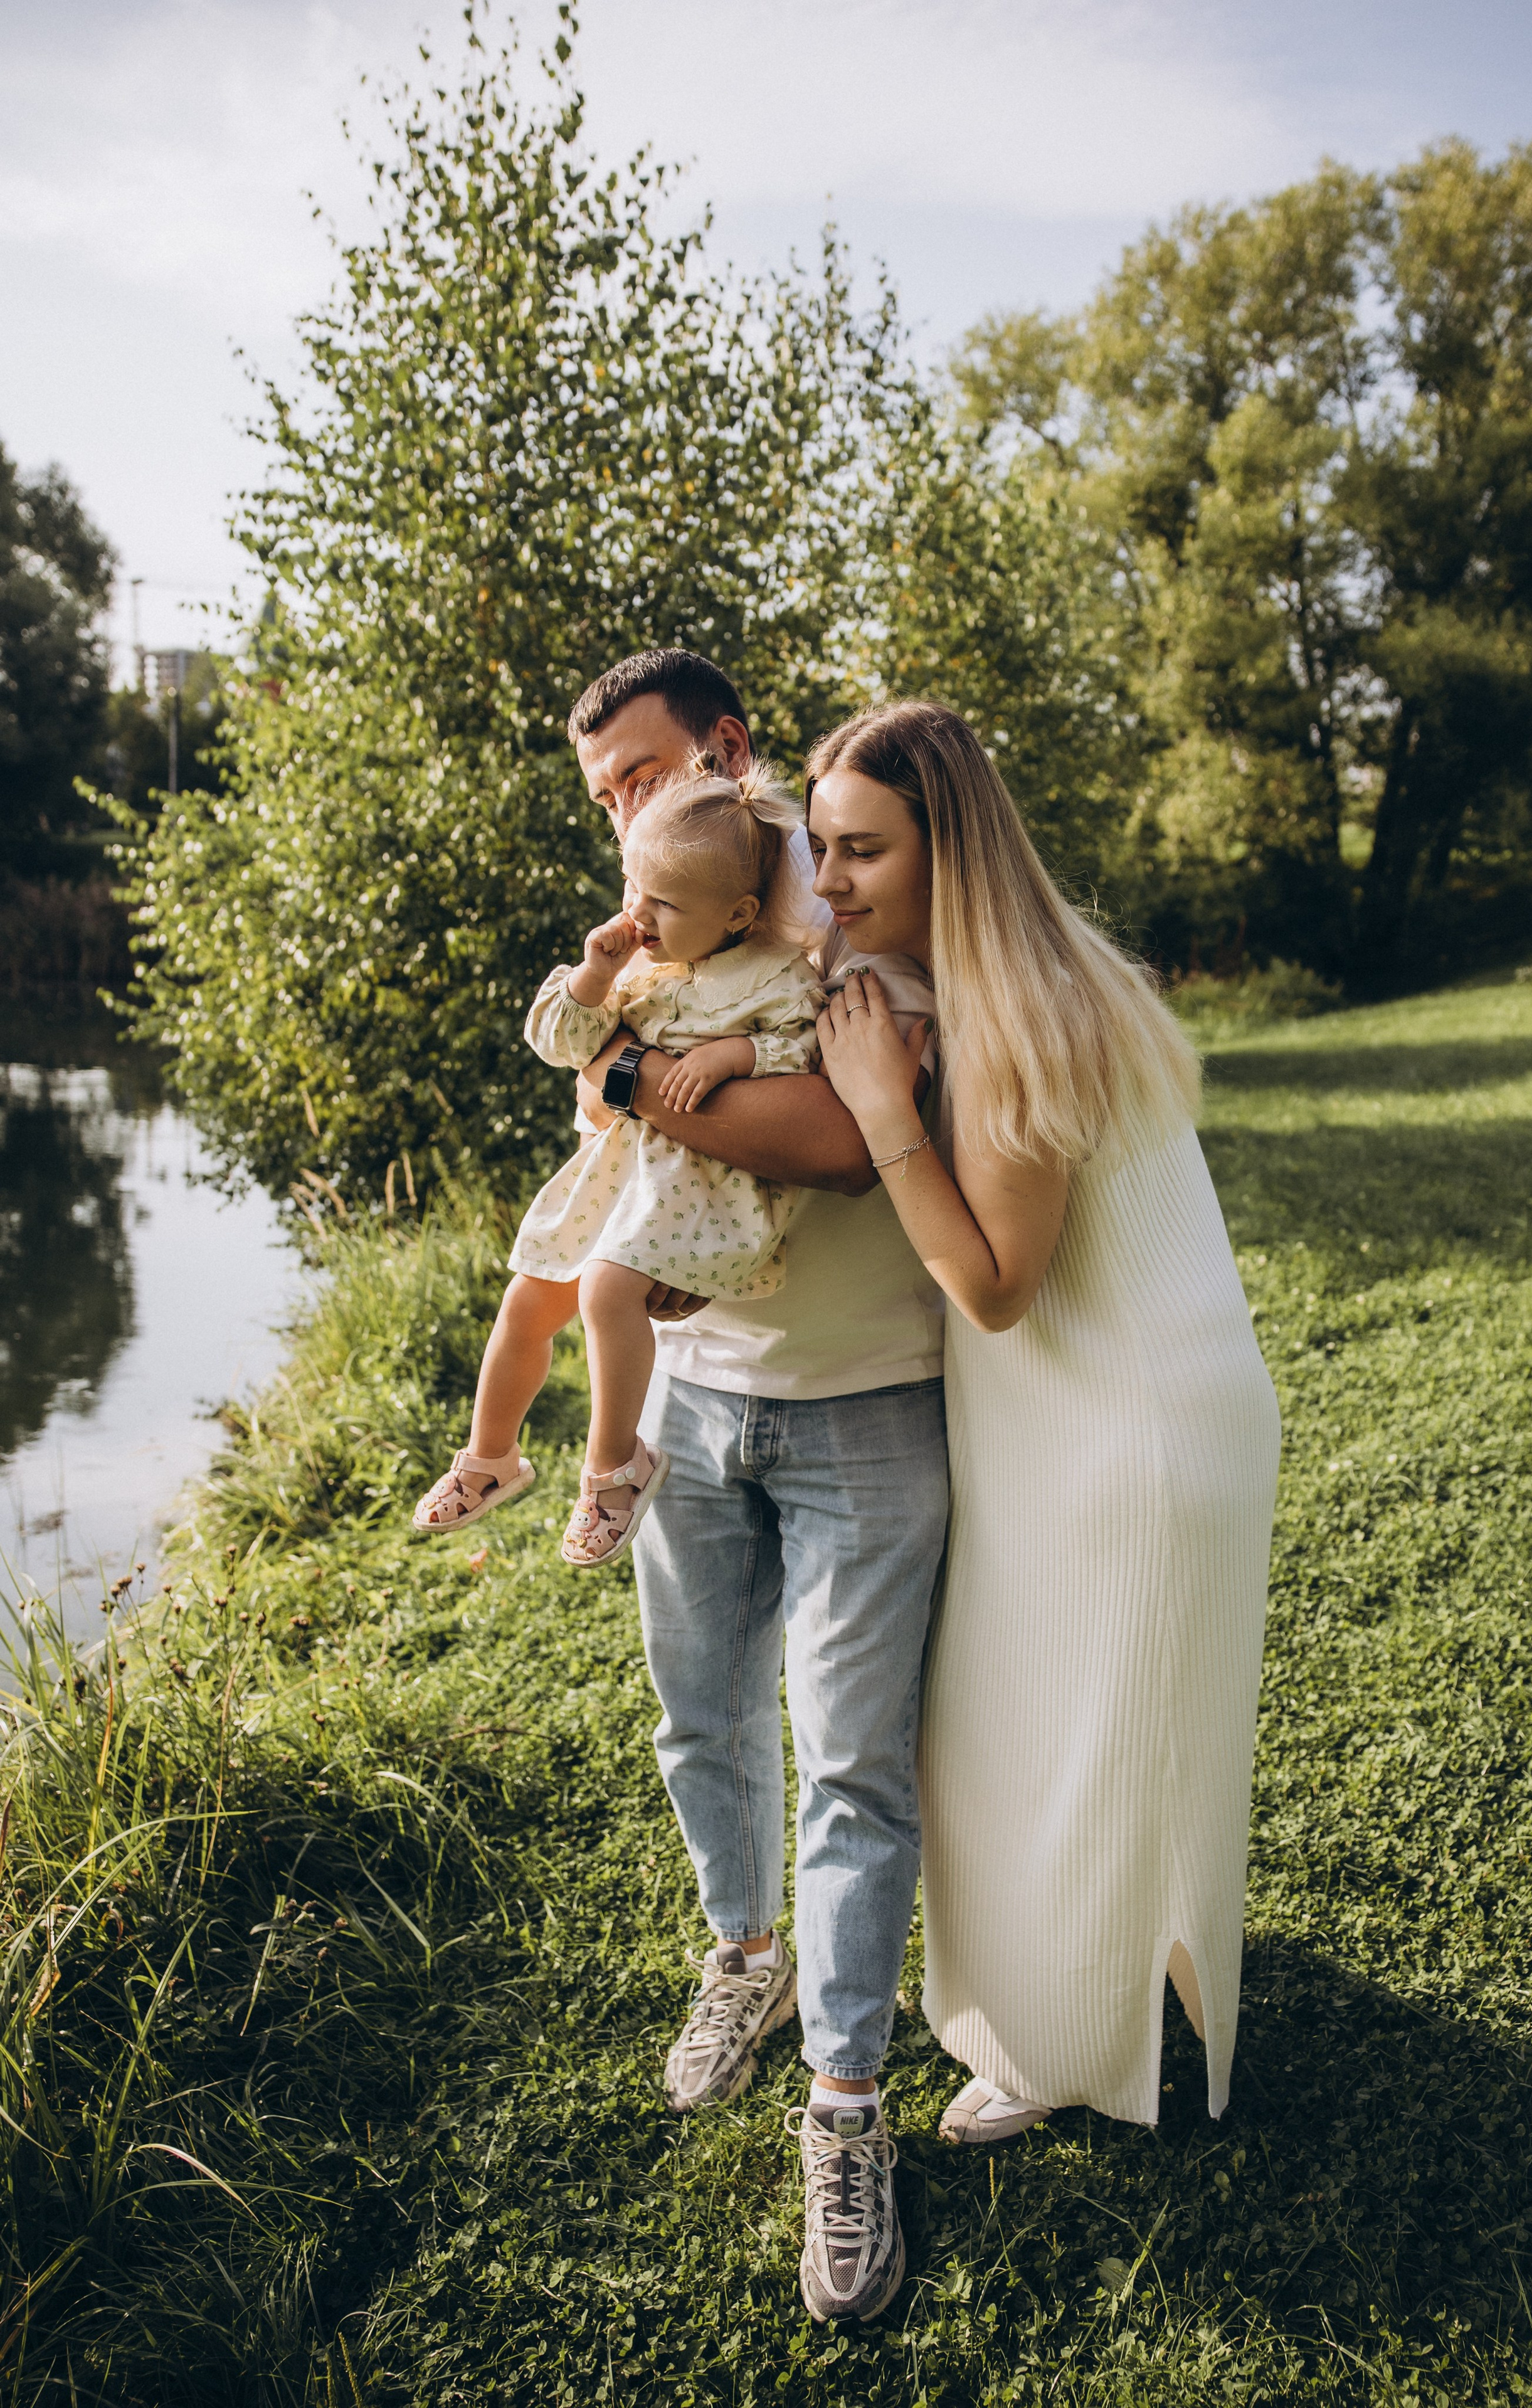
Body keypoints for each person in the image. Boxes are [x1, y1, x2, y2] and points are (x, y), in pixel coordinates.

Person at [806, 699, 1281, 2143]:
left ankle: (1058, 2043)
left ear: (947, 848)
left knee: (1061, 1739)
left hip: (1112, 1440)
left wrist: (880, 1106)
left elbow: (997, 1289)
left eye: (860, 852)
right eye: (816, 847)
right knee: (1105, 1729)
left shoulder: (1013, 1018)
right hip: (1148, 1411)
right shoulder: (1044, 964)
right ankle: (1140, 1979)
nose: (828, 882)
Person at [565, 652, 949, 2323]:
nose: (628, 818)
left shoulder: (865, 877)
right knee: (698, 1717)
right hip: (701, 1406)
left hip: (868, 1408)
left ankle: (848, 2114)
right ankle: (747, 1960)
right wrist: (632, 1061)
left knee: (854, 1765)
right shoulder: (673, 913)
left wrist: (646, 1083)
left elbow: (831, 1141)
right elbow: (597, 1095)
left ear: (725, 750)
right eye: (606, 803)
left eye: (643, 776)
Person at [410, 764, 824, 1566]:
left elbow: (803, 1053)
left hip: (708, 1186)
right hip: (624, 1176)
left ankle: (613, 1469)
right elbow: (559, 1044)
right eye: (633, 885)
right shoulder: (637, 966)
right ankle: (491, 1457)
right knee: (529, 1295)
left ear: (737, 914)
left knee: (604, 1287)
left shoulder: (774, 974)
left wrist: (738, 1052)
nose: (638, 913)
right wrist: (596, 974)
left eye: (663, 902)